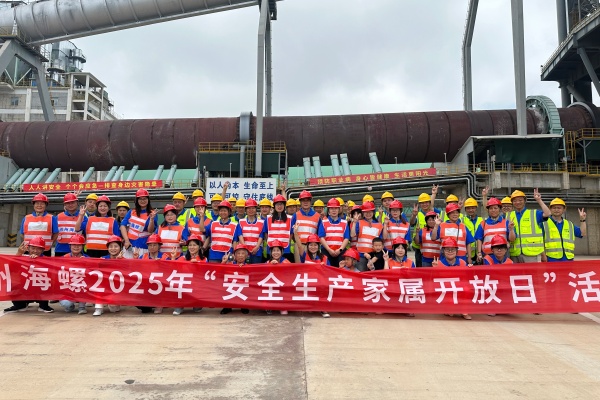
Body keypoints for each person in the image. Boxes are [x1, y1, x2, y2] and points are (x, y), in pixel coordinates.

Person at [3, 236, 54, 314]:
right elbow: (11, 269)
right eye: (33, 248)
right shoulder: (22, 258)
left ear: (43, 250)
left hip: (40, 289)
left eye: (38, 249)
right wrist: (19, 253)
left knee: (47, 283)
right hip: (25, 288)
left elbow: (52, 275)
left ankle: (44, 305)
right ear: (28, 248)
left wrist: (37, 261)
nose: (35, 251)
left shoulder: (47, 260)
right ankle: (20, 305)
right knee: (11, 283)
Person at [507, 189, 550, 263]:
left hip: (531, 253)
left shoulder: (534, 213)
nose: (518, 202)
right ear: (512, 203)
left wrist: (539, 200)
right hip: (514, 253)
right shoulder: (509, 215)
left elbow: (547, 213)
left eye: (520, 200)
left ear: (525, 201)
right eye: (515, 201)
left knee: (532, 271)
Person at [432, 238, 471, 320]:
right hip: (445, 289)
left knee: (467, 289)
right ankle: (449, 307)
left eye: (453, 250)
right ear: (443, 251)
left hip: (459, 288)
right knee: (450, 312)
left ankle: (464, 311)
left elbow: (467, 278)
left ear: (457, 251)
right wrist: (434, 269)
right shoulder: (438, 263)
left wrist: (470, 269)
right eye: (447, 250)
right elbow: (433, 281)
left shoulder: (462, 263)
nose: (450, 252)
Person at [293, 233, 331, 318]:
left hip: (321, 283)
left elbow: (330, 272)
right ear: (307, 246)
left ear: (318, 246)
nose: (313, 247)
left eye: (315, 245)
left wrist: (324, 268)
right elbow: (299, 246)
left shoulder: (324, 258)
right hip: (308, 282)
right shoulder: (304, 256)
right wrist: (295, 232)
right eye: (311, 245)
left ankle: (323, 308)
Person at [172, 235, 206, 316]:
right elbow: (173, 269)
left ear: (199, 246)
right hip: (184, 285)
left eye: (194, 245)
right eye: (190, 245)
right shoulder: (182, 258)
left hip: (197, 285)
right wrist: (173, 258)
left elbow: (204, 274)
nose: (192, 247)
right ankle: (180, 305)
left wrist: (197, 265)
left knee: (197, 309)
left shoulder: (204, 259)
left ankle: (196, 303)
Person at [475, 198, 516, 262]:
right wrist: (479, 252)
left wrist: (511, 229)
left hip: (503, 256)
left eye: (495, 208)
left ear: (500, 209)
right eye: (491, 208)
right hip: (487, 255)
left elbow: (512, 239)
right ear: (488, 210)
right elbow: (479, 239)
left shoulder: (506, 222)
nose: (493, 210)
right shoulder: (483, 224)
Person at [120, 189, 158, 258]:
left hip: (143, 246)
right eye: (140, 199)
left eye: (144, 199)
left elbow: (150, 231)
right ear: (137, 200)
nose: (142, 201)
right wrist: (126, 240)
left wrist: (151, 219)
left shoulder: (152, 213)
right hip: (129, 245)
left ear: (148, 200)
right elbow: (123, 226)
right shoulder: (131, 212)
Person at [410, 185, 442, 267]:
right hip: (419, 246)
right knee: (420, 268)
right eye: (422, 203)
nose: (424, 204)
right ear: (419, 204)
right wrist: (414, 215)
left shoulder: (435, 213)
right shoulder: (418, 214)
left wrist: (434, 194)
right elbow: (412, 223)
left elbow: (432, 207)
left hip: (434, 246)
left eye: (426, 202)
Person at [93, 235, 125, 316]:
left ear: (120, 248)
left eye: (116, 246)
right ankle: (98, 308)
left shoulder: (124, 260)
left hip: (116, 288)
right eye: (111, 246)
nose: (113, 249)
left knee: (113, 309)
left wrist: (119, 261)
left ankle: (112, 303)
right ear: (107, 248)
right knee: (99, 286)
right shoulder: (102, 259)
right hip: (103, 286)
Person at [59, 234, 89, 314]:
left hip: (81, 286)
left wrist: (86, 263)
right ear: (70, 246)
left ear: (82, 246)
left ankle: (82, 307)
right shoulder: (64, 258)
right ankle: (70, 306)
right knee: (66, 304)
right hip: (68, 287)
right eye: (74, 245)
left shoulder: (87, 258)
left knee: (85, 285)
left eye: (78, 245)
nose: (76, 247)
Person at [21, 192, 58, 257]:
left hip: (45, 250)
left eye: (42, 203)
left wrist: (50, 243)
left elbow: (56, 234)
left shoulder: (52, 218)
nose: (39, 205)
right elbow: (22, 233)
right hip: (28, 249)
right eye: (37, 203)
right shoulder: (26, 218)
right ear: (33, 205)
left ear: (46, 205)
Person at [220, 244, 251, 315]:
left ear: (246, 256)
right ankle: (227, 307)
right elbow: (220, 272)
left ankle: (244, 306)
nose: (240, 255)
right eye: (238, 253)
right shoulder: (230, 264)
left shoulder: (248, 266)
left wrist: (244, 268)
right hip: (231, 285)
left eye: (243, 253)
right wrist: (223, 262)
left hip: (242, 286)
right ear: (235, 255)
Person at [352, 201, 383, 271]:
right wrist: (354, 222)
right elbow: (352, 234)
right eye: (366, 212)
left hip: (374, 256)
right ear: (363, 213)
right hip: (361, 255)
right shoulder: (359, 222)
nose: (368, 214)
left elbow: (380, 240)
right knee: (360, 274)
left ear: (373, 212)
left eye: (370, 212)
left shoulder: (379, 225)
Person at [318, 198, 350, 267]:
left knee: (341, 270)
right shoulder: (323, 222)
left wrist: (340, 250)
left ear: (339, 209)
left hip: (340, 252)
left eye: (336, 208)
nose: (334, 210)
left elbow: (346, 238)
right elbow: (321, 237)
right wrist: (329, 250)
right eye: (332, 208)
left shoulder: (345, 223)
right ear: (329, 210)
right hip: (326, 251)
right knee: (326, 270)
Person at [235, 199, 266, 264]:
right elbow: (240, 235)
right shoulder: (241, 222)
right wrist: (245, 248)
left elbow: (261, 236)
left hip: (257, 251)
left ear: (256, 209)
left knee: (255, 269)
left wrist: (257, 247)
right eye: (249, 208)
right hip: (244, 252)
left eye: (253, 208)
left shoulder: (262, 222)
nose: (251, 210)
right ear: (246, 210)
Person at [264, 195, 293, 262]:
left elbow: (291, 233)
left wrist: (288, 242)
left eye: (281, 204)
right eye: (277, 204)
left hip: (285, 249)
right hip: (272, 250)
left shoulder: (290, 218)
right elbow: (265, 232)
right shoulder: (268, 218)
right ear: (274, 206)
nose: (279, 206)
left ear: (284, 206)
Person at [55, 192, 84, 257]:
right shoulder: (58, 217)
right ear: (64, 205)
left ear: (77, 203)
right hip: (60, 249)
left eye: (73, 202)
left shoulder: (83, 217)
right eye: (68, 203)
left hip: (77, 250)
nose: (70, 205)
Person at [266, 240, 291, 315]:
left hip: (283, 286)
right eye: (274, 250)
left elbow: (291, 274)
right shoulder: (267, 262)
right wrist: (270, 265)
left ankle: (283, 306)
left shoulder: (287, 262)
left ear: (282, 251)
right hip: (271, 287)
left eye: (278, 250)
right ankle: (269, 306)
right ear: (271, 252)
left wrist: (279, 266)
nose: (276, 253)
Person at [462, 197, 483, 263]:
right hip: (467, 254)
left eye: (472, 208)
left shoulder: (481, 220)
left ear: (476, 208)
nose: (470, 210)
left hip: (480, 253)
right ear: (465, 209)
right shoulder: (462, 220)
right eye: (468, 208)